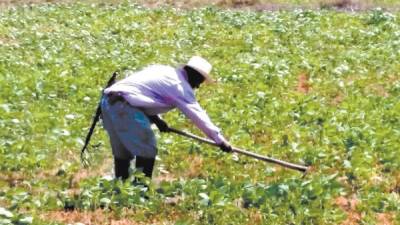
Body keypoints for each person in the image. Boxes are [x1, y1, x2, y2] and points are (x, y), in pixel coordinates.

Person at [101, 56, 232, 180]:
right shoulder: (180, 87)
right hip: (124, 108)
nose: (197, 86)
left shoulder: (164, 71)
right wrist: (220, 140)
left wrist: (157, 120)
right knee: (147, 149)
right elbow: (198, 116)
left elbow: (142, 91)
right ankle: (141, 190)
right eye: (199, 82)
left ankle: (120, 187)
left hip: (108, 102)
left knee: (122, 151)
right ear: (194, 75)